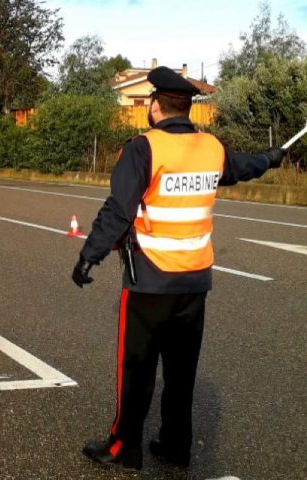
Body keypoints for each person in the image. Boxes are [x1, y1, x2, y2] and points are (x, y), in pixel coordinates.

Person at [72, 66, 287, 471]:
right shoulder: (210, 147)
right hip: (194, 283)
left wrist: (90, 255)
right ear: (186, 109)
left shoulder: (143, 148)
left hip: (150, 281)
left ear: (154, 106)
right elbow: (243, 167)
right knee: (181, 372)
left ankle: (125, 448)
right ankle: (175, 447)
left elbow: (120, 208)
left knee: (136, 370)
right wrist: (271, 159)